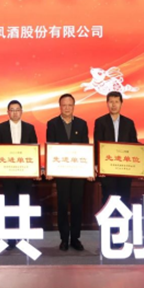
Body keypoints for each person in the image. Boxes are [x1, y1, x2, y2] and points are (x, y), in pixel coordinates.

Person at [46, 93, 92, 252]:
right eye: (64, 105)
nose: (67, 108)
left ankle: (75, 238)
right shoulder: (52, 124)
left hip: (78, 172)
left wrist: (89, 169)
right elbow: (50, 147)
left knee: (77, 204)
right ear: (60, 107)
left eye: (70, 105)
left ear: (74, 106)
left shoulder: (81, 124)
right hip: (61, 172)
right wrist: (50, 169)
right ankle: (64, 239)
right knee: (62, 204)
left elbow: (86, 148)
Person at [0, 100, 38, 250]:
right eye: (12, 110)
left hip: (25, 174)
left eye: (18, 109)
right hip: (8, 174)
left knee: (24, 204)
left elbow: (34, 150)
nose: (15, 112)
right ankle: (11, 237)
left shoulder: (30, 128)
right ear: (8, 112)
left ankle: (23, 235)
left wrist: (36, 169)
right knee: (10, 203)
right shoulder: (0, 128)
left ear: (21, 112)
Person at [93, 91, 138, 207]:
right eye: (111, 102)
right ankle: (109, 219)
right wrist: (97, 165)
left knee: (124, 197)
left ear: (121, 103)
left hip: (125, 168)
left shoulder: (129, 123)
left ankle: (123, 219)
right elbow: (97, 144)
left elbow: (134, 145)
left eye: (116, 102)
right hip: (107, 168)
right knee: (108, 198)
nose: (114, 105)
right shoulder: (100, 122)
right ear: (107, 103)